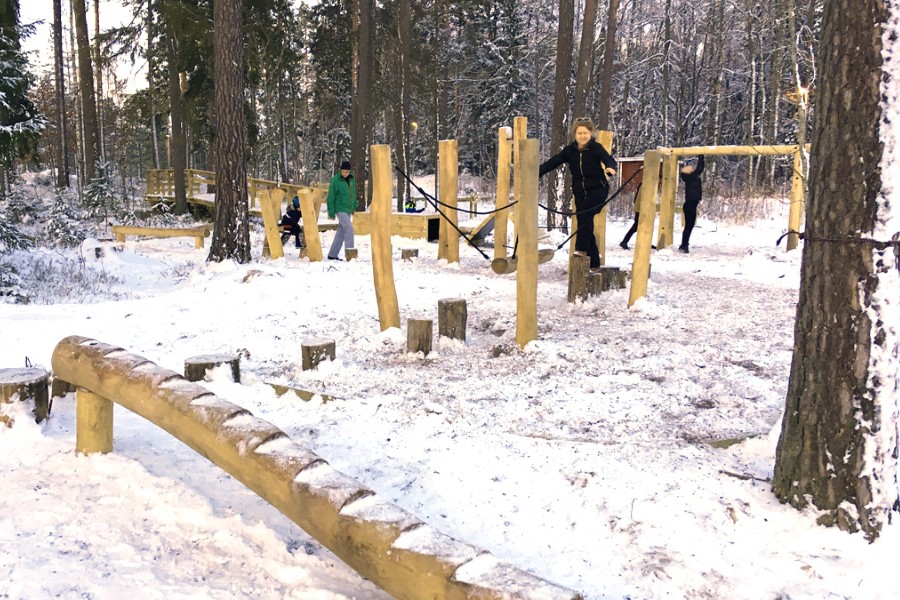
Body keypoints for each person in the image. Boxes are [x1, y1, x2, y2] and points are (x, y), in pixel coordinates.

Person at [539, 117, 617, 270]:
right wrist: (536, 172)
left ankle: (580, 249)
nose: (582, 136)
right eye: (579, 133)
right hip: (580, 191)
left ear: (591, 133)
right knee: (585, 222)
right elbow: (554, 162)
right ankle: (594, 263)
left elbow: (608, 159)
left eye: (585, 133)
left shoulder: (596, 148)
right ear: (575, 134)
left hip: (598, 189)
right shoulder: (570, 151)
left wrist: (610, 167)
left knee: (584, 216)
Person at [326, 160, 357, 261]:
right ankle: (350, 254)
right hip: (340, 208)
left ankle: (332, 254)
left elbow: (353, 194)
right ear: (340, 171)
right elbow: (331, 196)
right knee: (349, 228)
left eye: (346, 172)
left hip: (348, 209)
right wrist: (331, 212)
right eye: (343, 172)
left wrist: (354, 206)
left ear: (349, 171)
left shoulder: (352, 180)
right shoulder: (336, 180)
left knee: (342, 231)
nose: (345, 174)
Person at [678, 155, 705, 253]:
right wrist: (701, 159)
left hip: (690, 204)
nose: (693, 169)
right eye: (691, 169)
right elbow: (699, 169)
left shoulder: (690, 178)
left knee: (688, 226)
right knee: (689, 226)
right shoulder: (691, 177)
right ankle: (684, 245)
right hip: (690, 205)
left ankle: (684, 245)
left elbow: (698, 170)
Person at [619, 176, 643, 250]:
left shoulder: (643, 184)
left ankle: (643, 242)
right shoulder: (645, 185)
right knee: (635, 227)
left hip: (640, 209)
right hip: (641, 209)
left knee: (640, 227)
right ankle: (624, 241)